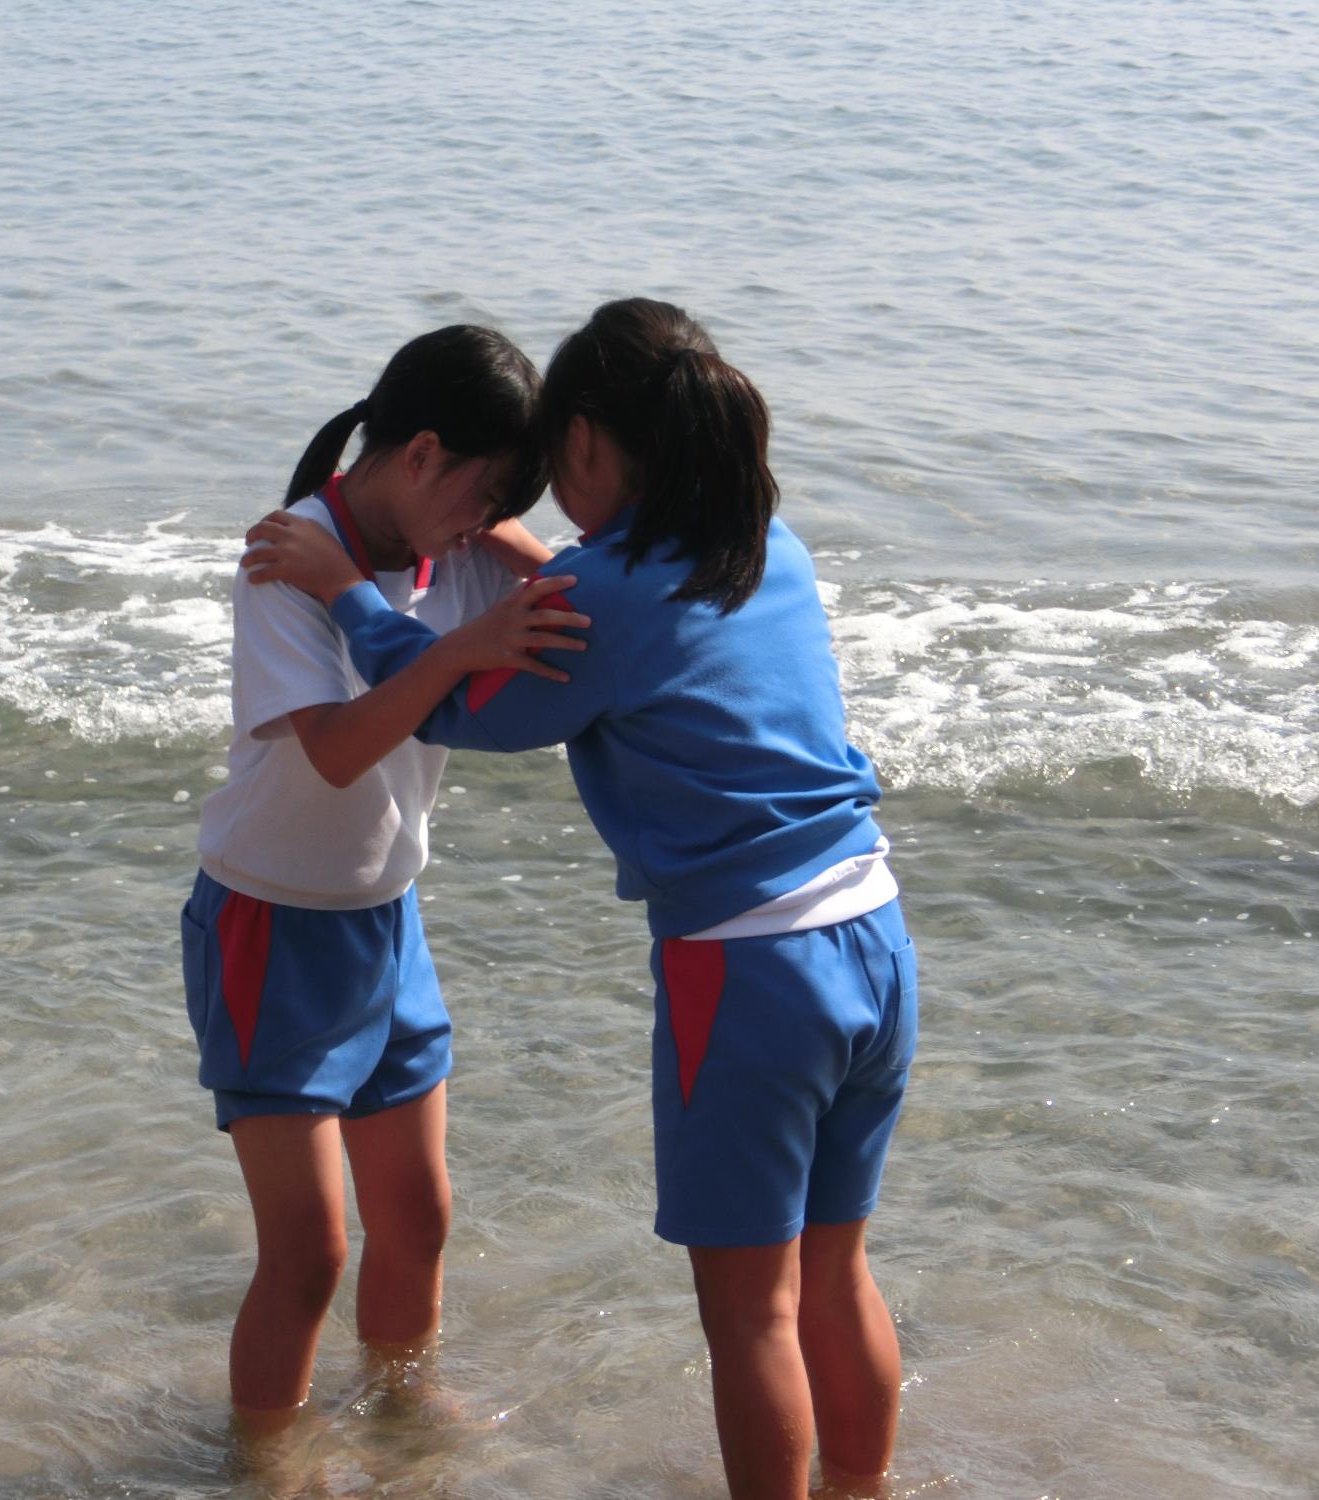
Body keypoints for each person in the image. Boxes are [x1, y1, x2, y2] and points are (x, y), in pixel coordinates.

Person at [241, 298, 919, 1497]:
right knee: (833, 1275)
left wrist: (347, 588)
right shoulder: (763, 541)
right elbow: (609, 607)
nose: (543, 495)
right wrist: (518, 549)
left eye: (552, 462)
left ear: (592, 443)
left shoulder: (603, 591)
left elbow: (451, 700)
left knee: (751, 1316)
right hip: (872, 933)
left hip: (755, 968)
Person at [184, 323, 580, 1437]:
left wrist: (502, 527)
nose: (488, 518)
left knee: (417, 1219)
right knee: (308, 1254)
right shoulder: (291, 558)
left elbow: (588, 596)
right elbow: (336, 750)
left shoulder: (457, 542)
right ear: (420, 454)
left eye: (506, 501)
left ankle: (400, 1429)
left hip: (386, 920)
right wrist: (457, 649)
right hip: (270, 925)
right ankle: (265, 1460)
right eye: (487, 491)